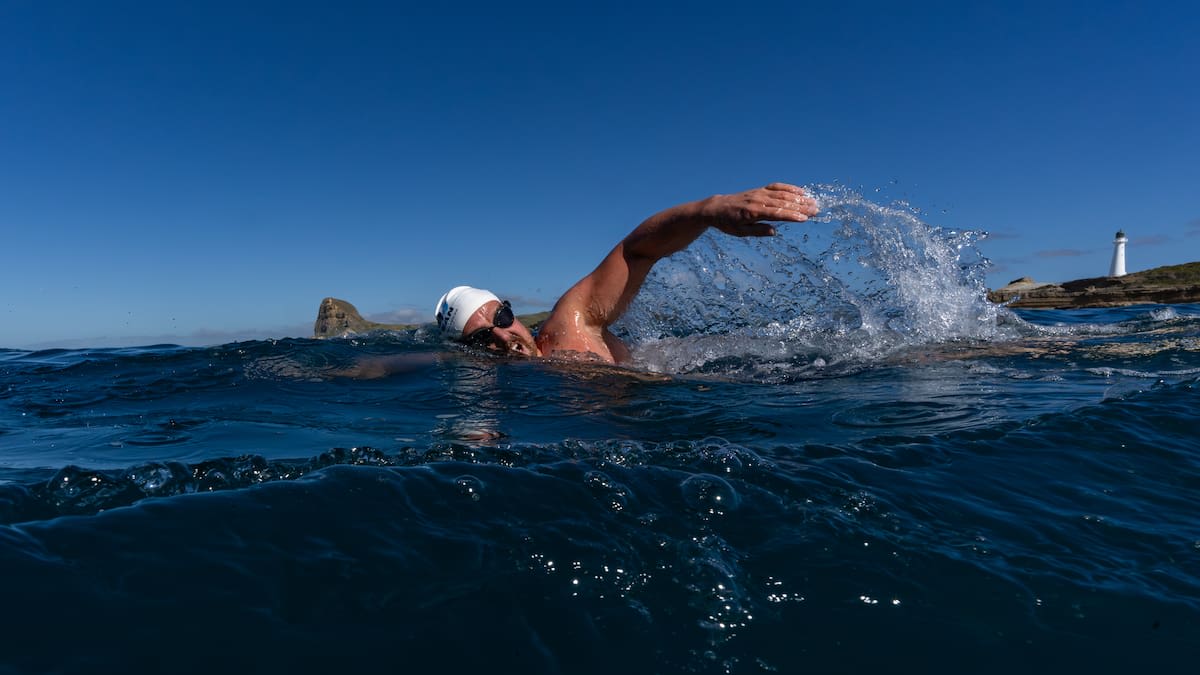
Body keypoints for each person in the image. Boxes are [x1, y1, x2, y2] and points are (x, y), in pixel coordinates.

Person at [435, 182, 820, 364]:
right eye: (483, 337)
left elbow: (635, 251)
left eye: (501, 317)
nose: (504, 335)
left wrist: (710, 209)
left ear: (510, 309)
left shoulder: (570, 325)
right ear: (470, 354)